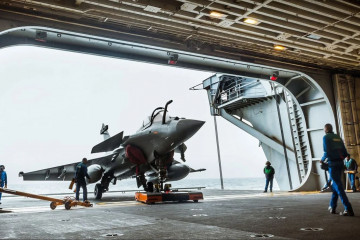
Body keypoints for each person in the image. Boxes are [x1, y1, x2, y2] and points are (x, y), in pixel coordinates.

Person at [321, 123, 354, 216]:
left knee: (338, 186)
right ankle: (332, 206)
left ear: (326, 129)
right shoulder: (338, 137)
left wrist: (322, 160)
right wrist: (341, 158)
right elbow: (345, 152)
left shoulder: (326, 138)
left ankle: (348, 208)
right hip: (340, 163)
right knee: (336, 184)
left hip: (332, 164)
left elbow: (326, 151)